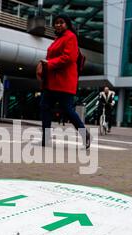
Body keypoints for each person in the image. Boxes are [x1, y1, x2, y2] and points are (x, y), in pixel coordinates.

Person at [37, 13, 90, 149]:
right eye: (56, 22)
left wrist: (49, 63)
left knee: (67, 110)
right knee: (45, 107)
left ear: (67, 24)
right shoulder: (58, 39)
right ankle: (46, 139)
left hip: (64, 81)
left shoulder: (70, 37)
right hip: (51, 81)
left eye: (61, 22)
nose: (58, 25)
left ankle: (85, 135)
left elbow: (69, 58)